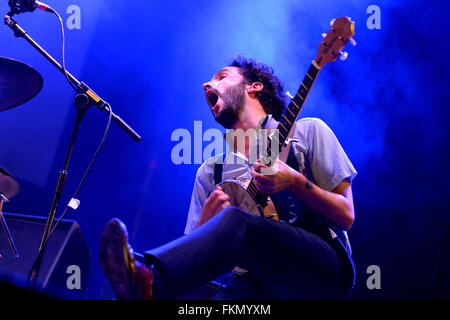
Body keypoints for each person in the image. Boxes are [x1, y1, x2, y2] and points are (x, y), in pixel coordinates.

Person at [99, 56, 357, 300]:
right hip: (257, 283)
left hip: (321, 270)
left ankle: (151, 279)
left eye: (222, 77)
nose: (206, 85)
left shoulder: (308, 131)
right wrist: (203, 226)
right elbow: (191, 269)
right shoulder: (211, 172)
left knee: (235, 221)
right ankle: (143, 287)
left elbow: (346, 215)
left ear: (254, 87)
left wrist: (296, 182)